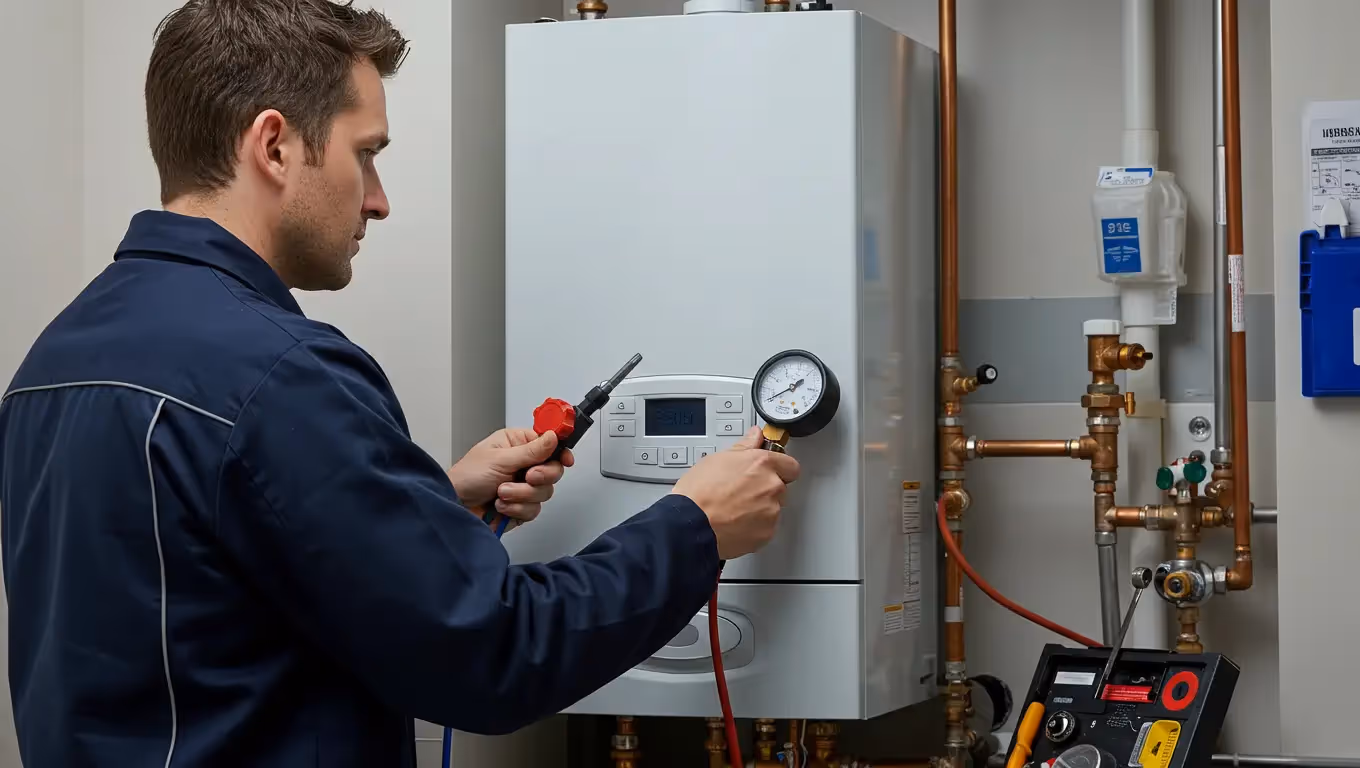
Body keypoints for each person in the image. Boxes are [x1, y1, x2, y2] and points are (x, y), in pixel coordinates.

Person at [0, 1, 802, 765]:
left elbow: (189, 597)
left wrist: (430, 502)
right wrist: (697, 525)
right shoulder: (282, 374)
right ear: (274, 146)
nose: (378, 202)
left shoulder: (53, 362)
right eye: (366, 154)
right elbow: (497, 654)